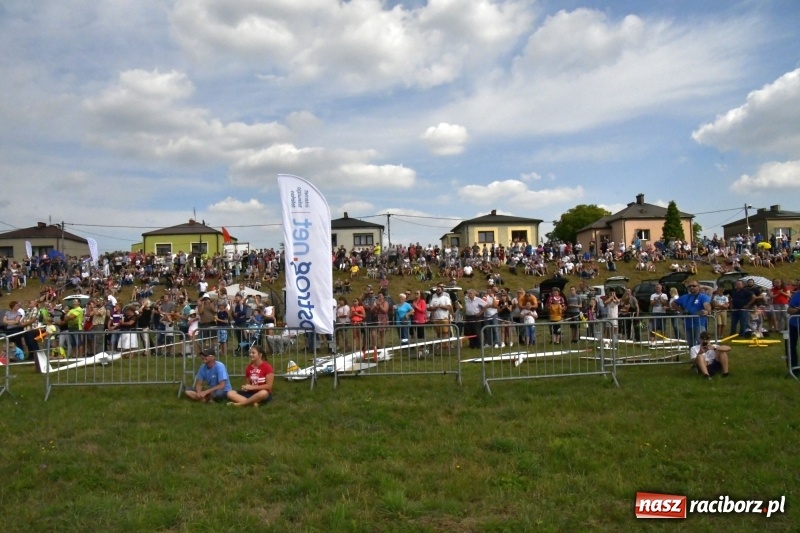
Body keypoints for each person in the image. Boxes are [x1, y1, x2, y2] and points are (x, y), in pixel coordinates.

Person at [671, 281, 711, 346]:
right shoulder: (684, 297)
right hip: (687, 324)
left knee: (701, 343)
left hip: (699, 323)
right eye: (689, 286)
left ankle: (702, 356)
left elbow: (707, 305)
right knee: (690, 344)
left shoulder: (703, 296)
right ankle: (693, 356)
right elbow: (673, 303)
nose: (691, 287)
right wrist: (681, 311)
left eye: (694, 286)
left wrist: (707, 311)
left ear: (698, 287)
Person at [428, 284, 453, 350]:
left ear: (442, 290)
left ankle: (446, 345)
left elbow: (448, 307)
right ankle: (440, 345)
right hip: (436, 318)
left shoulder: (446, 298)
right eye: (436, 290)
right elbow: (429, 308)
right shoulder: (434, 298)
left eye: (439, 289)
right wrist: (435, 308)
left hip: (444, 318)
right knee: (438, 333)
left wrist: (441, 306)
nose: (437, 291)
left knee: (445, 332)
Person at [787, 288, 800, 372]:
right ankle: (793, 369)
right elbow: (789, 310)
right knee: (791, 347)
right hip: (793, 324)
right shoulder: (797, 295)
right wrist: (798, 310)